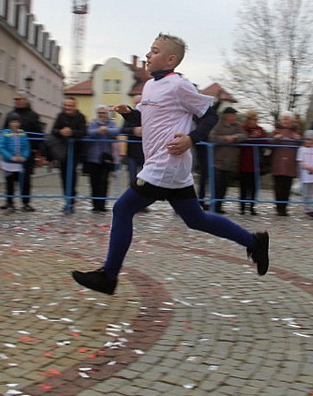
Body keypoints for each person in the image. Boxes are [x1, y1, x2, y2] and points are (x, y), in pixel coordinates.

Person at [72, 33, 269, 295]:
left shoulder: (179, 85)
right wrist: (129, 114)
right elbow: (149, 119)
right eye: (149, 50)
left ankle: (109, 275)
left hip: (166, 164)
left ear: (171, 59)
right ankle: (254, 241)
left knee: (122, 209)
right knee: (195, 219)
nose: (148, 55)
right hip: (165, 165)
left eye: (154, 51)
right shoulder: (151, 86)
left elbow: (209, 115)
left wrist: (191, 139)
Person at [3, 92, 43, 211]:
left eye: (19, 99)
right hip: (11, 153)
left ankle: (26, 202)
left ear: (25, 100)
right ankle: (9, 201)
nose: (17, 101)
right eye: (15, 99)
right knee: (10, 178)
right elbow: (4, 131)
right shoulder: (10, 114)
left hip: (27, 152)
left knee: (25, 179)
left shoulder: (33, 115)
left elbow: (38, 132)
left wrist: (36, 148)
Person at [51, 96, 87, 214]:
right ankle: (67, 199)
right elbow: (53, 130)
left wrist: (72, 133)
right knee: (63, 176)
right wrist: (61, 132)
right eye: (66, 105)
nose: (68, 108)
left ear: (75, 106)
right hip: (62, 151)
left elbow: (83, 132)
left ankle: (71, 201)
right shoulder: (60, 116)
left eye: (70, 106)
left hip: (75, 151)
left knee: (71, 175)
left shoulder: (80, 117)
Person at [208, 106, 246, 214]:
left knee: (224, 186)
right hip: (218, 161)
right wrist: (225, 139)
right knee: (217, 186)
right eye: (233, 115)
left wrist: (234, 137)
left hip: (230, 162)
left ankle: (219, 206)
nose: (234, 117)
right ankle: (214, 205)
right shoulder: (218, 125)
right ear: (227, 116)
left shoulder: (237, 126)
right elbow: (212, 137)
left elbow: (244, 135)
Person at [84, 105, 121, 212]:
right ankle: (95, 205)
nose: (101, 115)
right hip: (93, 158)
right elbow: (88, 132)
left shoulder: (111, 123)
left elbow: (117, 131)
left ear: (107, 114)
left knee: (104, 182)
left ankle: (102, 204)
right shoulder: (93, 123)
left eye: (103, 113)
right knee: (94, 182)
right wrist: (98, 131)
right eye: (99, 113)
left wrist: (107, 130)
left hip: (106, 158)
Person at [270, 113, 301, 216]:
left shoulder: (295, 132)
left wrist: (298, 140)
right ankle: (279, 207)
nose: (286, 122)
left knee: (287, 186)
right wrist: (276, 138)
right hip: (278, 163)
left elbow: (302, 144)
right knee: (278, 186)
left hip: (290, 164)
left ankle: (284, 207)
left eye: (288, 120)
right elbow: (269, 143)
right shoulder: (276, 131)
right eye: (284, 120)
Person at [0, 113, 29, 211]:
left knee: (23, 184)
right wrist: (10, 157)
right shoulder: (5, 133)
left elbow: (27, 146)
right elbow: (1, 147)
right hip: (9, 164)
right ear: (9, 123)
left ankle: (25, 203)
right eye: (13, 122)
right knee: (10, 184)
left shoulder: (22, 133)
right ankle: (10, 202)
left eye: (17, 122)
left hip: (19, 163)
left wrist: (24, 156)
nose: (15, 124)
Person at [238, 110, 266, 215]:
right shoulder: (243, 128)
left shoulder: (260, 129)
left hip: (255, 163)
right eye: (251, 119)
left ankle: (252, 207)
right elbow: (240, 140)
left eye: (255, 119)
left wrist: (259, 136)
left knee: (254, 187)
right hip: (244, 162)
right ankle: (242, 207)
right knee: (244, 186)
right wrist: (250, 137)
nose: (253, 121)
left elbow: (265, 141)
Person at [120, 95, 144, 186]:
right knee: (132, 179)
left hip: (146, 152)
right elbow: (122, 129)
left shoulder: (148, 116)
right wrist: (134, 130)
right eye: (136, 103)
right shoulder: (130, 116)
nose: (137, 105)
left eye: (139, 103)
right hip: (132, 153)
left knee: (144, 180)